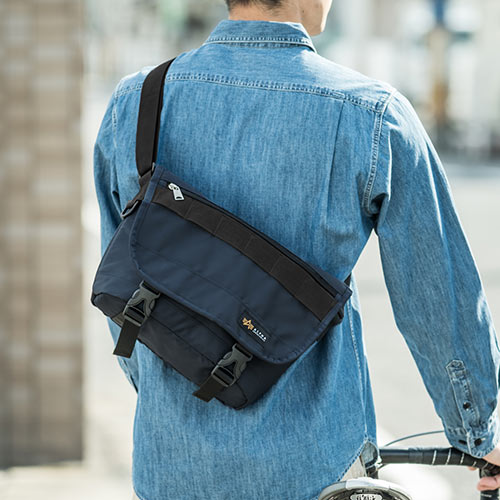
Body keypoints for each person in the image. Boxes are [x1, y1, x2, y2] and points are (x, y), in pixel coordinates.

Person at [93, 0, 500, 498]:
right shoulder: (373, 115)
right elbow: (439, 302)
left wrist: (174, 380)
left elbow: (122, 287)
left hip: (171, 467)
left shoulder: (137, 101)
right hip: (316, 468)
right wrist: (479, 434)